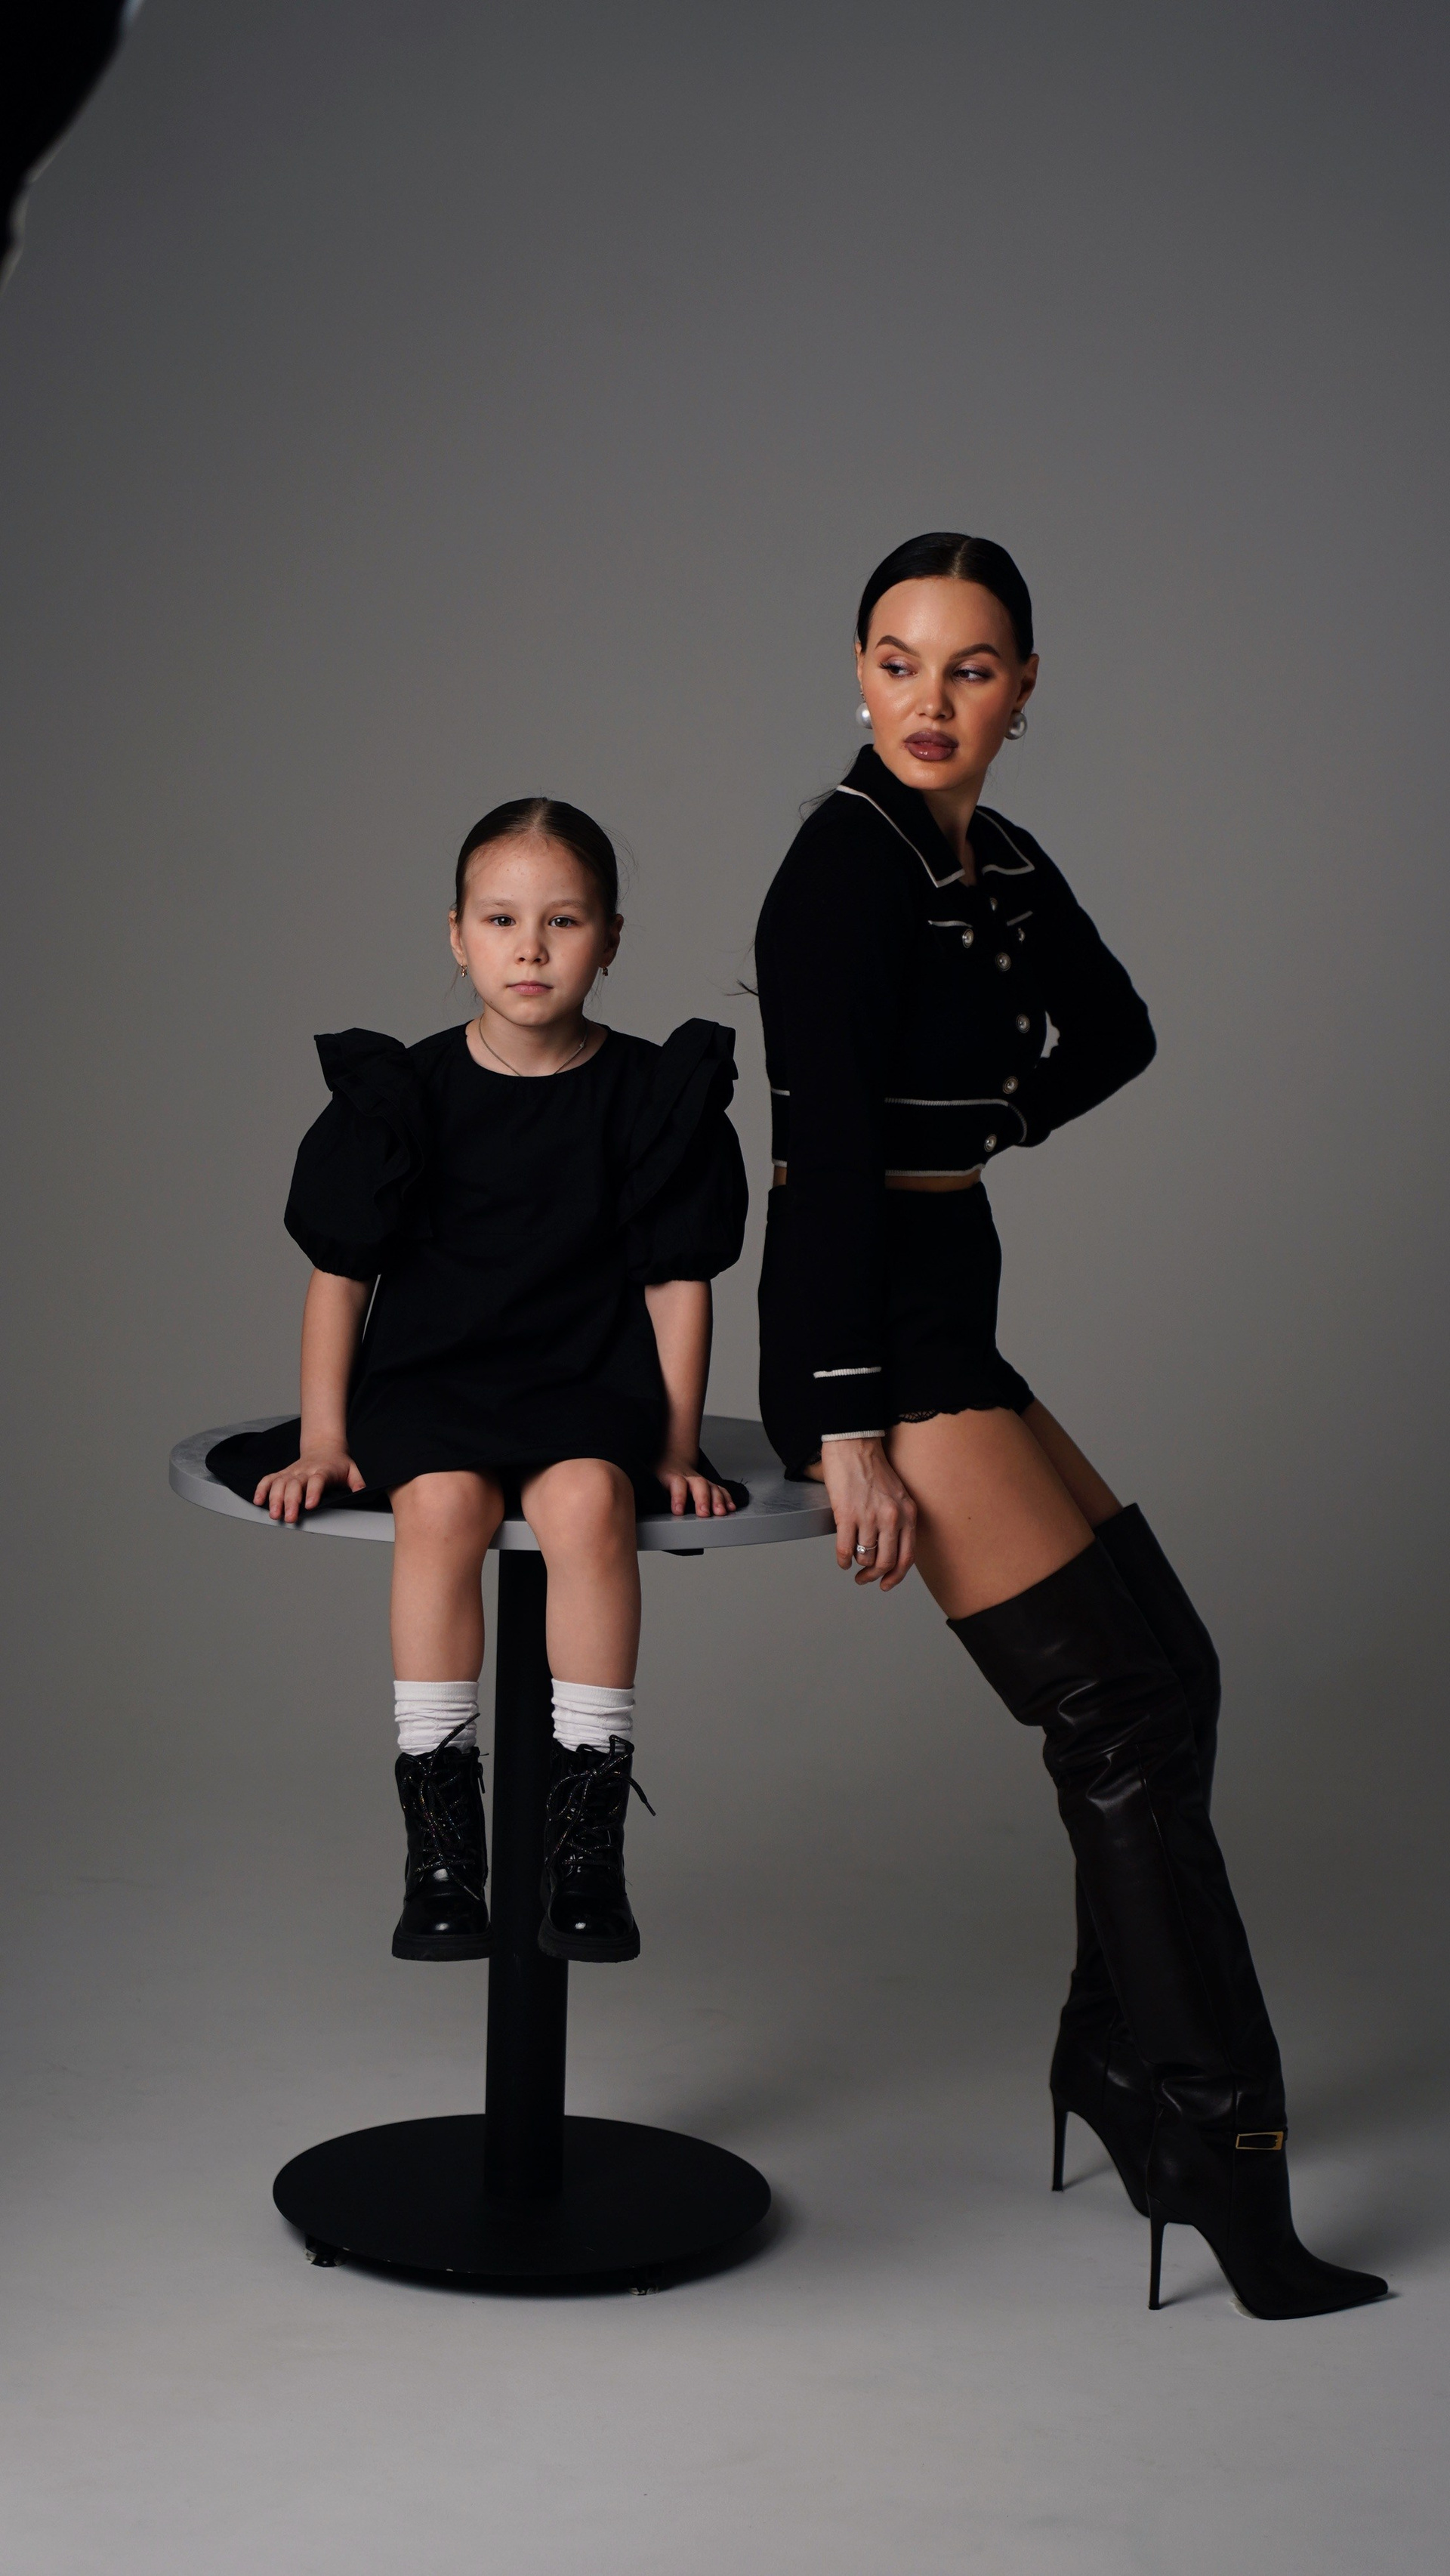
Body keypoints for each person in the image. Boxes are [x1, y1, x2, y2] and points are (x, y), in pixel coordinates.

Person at [754, 532, 1386, 2321]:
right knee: (1117, 1716)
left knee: (1172, 1673)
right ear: (857, 673)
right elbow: (820, 1162)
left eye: (970, 667)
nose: (930, 698)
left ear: (1023, 689)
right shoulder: (842, 869)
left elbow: (1113, 1031)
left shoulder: (996, 858)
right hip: (867, 1329)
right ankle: (1216, 2136)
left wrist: (1002, 1114)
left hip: (949, 1299)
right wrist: (845, 1426)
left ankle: (1116, 2058)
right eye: (899, 660)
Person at [209, 798, 747, 1970]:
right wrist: (322, 1435)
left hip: (583, 1375)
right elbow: (341, 1281)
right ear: (456, 935)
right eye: (501, 920)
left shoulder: (651, 1093)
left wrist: (672, 1443)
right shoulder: (404, 1095)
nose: (530, 948)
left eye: (564, 920)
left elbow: (678, 1285)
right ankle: (444, 1846)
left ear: (611, 938)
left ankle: (586, 1843)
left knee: (590, 1503)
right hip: (432, 1376)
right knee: (444, 1504)